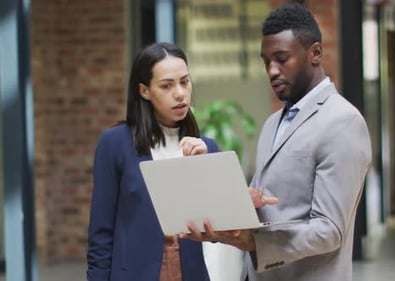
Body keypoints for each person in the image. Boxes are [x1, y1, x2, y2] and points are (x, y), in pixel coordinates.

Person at [181, 3, 372, 281]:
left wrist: (254, 243)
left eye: (282, 59)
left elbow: (329, 230)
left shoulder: (343, 122)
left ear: (315, 53)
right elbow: (269, 206)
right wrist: (229, 202)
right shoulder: (273, 124)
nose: (271, 71)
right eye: (266, 61)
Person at [86, 42, 217, 281]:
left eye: (185, 82)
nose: (179, 93)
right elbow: (101, 234)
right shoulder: (115, 144)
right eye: (167, 86)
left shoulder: (204, 148)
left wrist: (204, 166)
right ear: (144, 91)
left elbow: (221, 229)